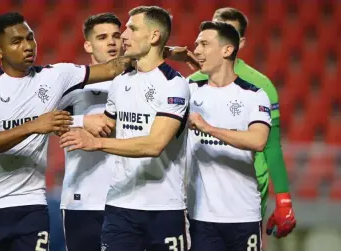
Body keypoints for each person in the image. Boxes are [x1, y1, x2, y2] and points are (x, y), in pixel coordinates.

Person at [0, 12, 133, 251]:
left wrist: (159, 51)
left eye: (30, 38)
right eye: (16, 42)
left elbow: (114, 67)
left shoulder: (55, 76)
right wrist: (34, 125)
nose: (27, 46)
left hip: (32, 201)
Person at [60, 6, 190, 251]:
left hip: (162, 206)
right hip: (116, 205)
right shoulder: (118, 82)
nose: (123, 37)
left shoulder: (174, 85)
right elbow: (105, 126)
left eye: (130, 29)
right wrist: (81, 123)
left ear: (153, 36)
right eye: (126, 29)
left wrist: (97, 142)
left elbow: (154, 144)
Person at [187, 7, 296, 238]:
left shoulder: (260, 86)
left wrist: (283, 197)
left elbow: (271, 144)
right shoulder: (191, 83)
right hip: (202, 192)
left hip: (248, 186)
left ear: (238, 43)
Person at [186, 21, 271, 251]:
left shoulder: (254, 95)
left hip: (243, 214)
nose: (197, 50)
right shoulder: (189, 90)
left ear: (227, 50)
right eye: (196, 45)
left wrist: (209, 128)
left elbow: (258, 140)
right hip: (200, 214)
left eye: (204, 44)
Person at [58, 13, 122, 251]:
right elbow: (43, 122)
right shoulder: (72, 84)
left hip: (128, 200)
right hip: (82, 200)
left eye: (116, 36)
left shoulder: (138, 84)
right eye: (103, 37)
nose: (112, 42)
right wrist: (81, 120)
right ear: (88, 44)